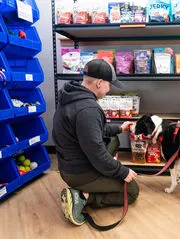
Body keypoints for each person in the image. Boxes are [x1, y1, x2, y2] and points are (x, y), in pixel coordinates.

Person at [52, 59, 139, 226]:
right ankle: (82, 197)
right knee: (132, 190)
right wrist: (122, 171)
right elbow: (96, 154)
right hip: (80, 173)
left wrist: (120, 128)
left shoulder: (71, 96)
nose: (110, 88)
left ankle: (87, 188)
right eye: (109, 84)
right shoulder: (89, 109)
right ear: (99, 83)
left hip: (67, 165)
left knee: (112, 139)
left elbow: (90, 131)